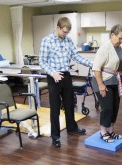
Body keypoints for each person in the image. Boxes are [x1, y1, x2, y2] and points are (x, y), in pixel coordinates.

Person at [39, 17, 93, 148]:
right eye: (64, 32)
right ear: (58, 27)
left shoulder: (68, 41)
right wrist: (52, 73)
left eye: (67, 32)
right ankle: (55, 136)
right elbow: (42, 62)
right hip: (54, 77)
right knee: (55, 108)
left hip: (66, 76)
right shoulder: (47, 41)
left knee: (69, 104)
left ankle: (72, 128)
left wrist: (93, 64)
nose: (65, 34)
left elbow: (76, 56)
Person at [92, 24, 122, 143]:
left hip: (115, 81)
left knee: (115, 107)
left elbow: (121, 69)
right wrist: (101, 85)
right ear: (112, 35)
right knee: (107, 108)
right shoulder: (104, 48)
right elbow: (96, 68)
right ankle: (103, 132)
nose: (121, 41)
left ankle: (111, 131)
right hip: (102, 81)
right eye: (120, 38)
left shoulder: (121, 48)